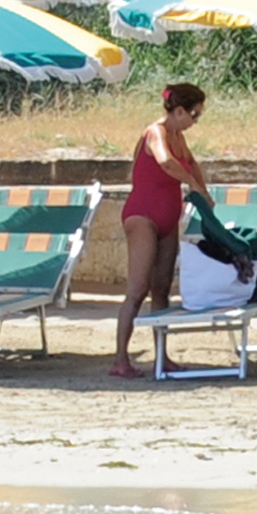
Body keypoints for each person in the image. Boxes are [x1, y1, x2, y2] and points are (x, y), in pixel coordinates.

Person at [111, 82, 211, 378]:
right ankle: (120, 358)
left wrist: (204, 193)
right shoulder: (156, 133)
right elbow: (166, 163)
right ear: (179, 110)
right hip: (143, 216)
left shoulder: (178, 136)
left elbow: (191, 163)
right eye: (194, 115)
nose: (195, 122)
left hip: (168, 218)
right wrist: (192, 186)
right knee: (138, 288)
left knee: (162, 288)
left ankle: (161, 355)